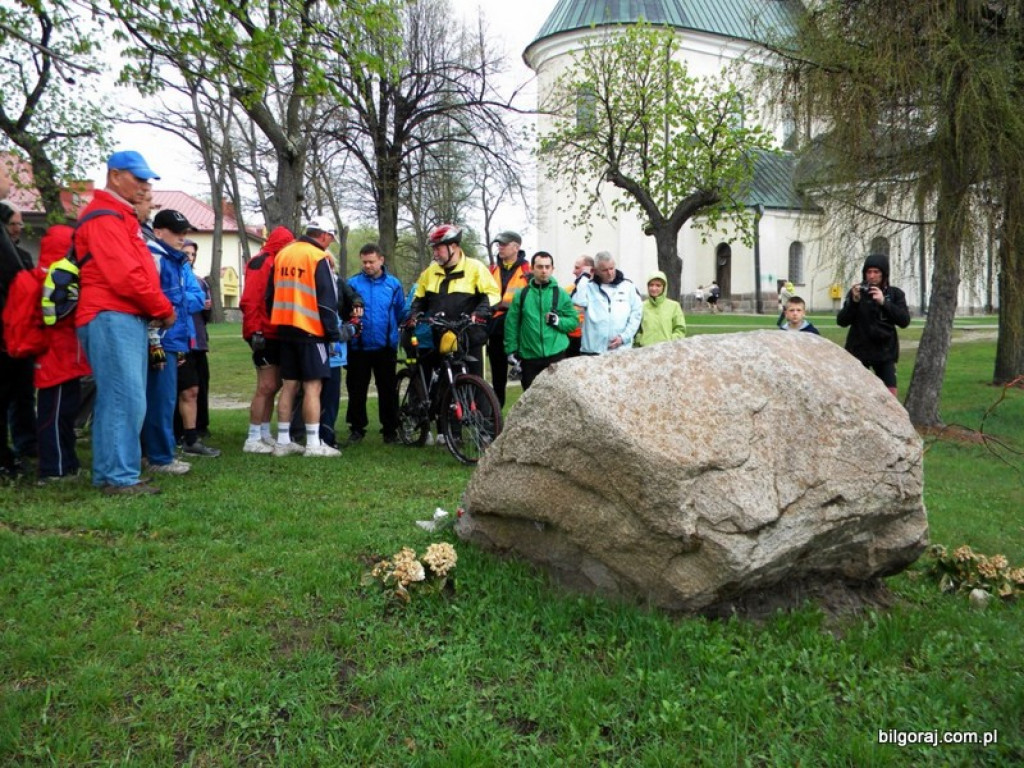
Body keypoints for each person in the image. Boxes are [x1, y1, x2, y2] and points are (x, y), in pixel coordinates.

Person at [75, 150, 174, 495]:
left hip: (117, 315)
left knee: (119, 397)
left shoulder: (118, 216)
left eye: (147, 180)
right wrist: (162, 307)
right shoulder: (105, 217)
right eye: (139, 178)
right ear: (115, 175)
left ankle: (111, 472)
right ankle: (118, 476)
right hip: (111, 314)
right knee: (126, 397)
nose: (144, 186)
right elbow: (126, 275)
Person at [267, 216, 344, 458]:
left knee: (289, 385)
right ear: (322, 235)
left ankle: (282, 441)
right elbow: (327, 300)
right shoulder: (318, 257)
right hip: (311, 330)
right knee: (313, 386)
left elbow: (270, 295)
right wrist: (333, 334)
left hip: (285, 328)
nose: (330, 243)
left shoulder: (283, 254)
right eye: (331, 238)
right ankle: (313, 443)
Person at [143, 209, 209, 476]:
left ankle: (157, 453)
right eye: (176, 232)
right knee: (159, 398)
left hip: (175, 337)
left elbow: (195, 297)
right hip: (157, 338)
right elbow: (151, 297)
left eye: (184, 232)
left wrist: (177, 305)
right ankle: (158, 456)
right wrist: (172, 308)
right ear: (158, 232)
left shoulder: (178, 261)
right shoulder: (154, 258)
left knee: (164, 397)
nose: (182, 237)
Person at [31, 226, 92, 483]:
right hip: (55, 360)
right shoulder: (53, 276)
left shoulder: (64, 275)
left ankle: (68, 465)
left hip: (68, 359)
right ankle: (53, 469)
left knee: (65, 415)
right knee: (54, 417)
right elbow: (53, 317)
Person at [408, 224, 500, 378]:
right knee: (445, 385)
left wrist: (480, 312)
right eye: (433, 249)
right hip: (441, 336)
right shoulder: (430, 273)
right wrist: (414, 315)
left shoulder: (475, 268)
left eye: (438, 249)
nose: (435, 254)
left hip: (470, 336)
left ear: (454, 246)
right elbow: (419, 299)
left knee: (476, 387)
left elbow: (492, 294)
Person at [239, 226, 293, 453]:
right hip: (263, 331)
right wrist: (255, 332)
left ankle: (263, 433)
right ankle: (252, 438)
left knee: (274, 385)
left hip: (274, 331)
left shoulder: (274, 260)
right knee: (266, 385)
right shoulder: (262, 262)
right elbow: (250, 300)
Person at [346, 243, 405, 445]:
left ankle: (390, 430)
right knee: (356, 389)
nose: (368, 266)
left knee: (388, 389)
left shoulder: (394, 285)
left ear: (381, 260)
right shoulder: (352, 284)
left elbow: (399, 311)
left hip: (385, 347)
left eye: (371, 262)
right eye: (364, 262)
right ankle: (356, 428)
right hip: (358, 347)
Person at [836, 253, 910, 396]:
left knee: (889, 395)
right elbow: (842, 321)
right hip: (858, 351)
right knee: (856, 394)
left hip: (885, 352)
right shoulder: (857, 293)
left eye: (876, 272)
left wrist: (884, 302)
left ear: (884, 274)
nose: (872, 276)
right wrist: (854, 302)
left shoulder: (895, 294)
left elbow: (904, 321)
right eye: (869, 272)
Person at [504, 251, 578, 390]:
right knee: (531, 403)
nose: (544, 270)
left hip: (556, 355)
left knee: (558, 399)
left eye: (547, 267)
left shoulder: (560, 293)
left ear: (552, 269)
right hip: (529, 357)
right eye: (539, 267)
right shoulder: (522, 294)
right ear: (532, 268)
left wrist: (558, 321)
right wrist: (511, 350)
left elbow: (573, 322)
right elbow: (511, 324)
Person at [1, 202, 37, 463]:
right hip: (4, 330)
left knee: (23, 391)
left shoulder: (23, 256)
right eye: (12, 224)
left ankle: (27, 443)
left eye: (20, 225)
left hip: (22, 333)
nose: (17, 229)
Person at [486, 231, 530, 407]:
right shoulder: (492, 270)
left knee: (526, 378)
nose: (500, 247)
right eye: (499, 244)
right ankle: (495, 421)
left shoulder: (529, 271)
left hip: (520, 332)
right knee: (498, 379)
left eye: (504, 244)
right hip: (496, 331)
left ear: (516, 247)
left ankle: (531, 417)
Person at [175, 240, 212, 443]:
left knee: (200, 385)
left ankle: (200, 426)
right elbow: (177, 300)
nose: (190, 257)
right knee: (185, 388)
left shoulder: (200, 281)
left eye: (193, 254)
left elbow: (202, 306)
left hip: (198, 339)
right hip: (180, 339)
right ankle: (181, 430)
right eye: (186, 253)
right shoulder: (175, 276)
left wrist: (205, 307)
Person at [572, 251, 642, 355]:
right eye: (604, 270)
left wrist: (624, 337)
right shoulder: (588, 287)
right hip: (593, 351)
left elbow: (636, 314)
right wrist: (585, 276)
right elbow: (578, 301)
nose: (610, 273)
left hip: (620, 350)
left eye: (611, 268)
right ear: (595, 271)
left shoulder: (628, 286)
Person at [635, 271, 686, 347]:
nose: (654, 288)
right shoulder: (641, 306)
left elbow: (680, 329)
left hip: (667, 351)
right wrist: (641, 340)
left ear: (664, 287)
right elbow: (635, 329)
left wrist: (671, 341)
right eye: (651, 285)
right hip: (646, 350)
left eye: (658, 285)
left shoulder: (674, 306)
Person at [565, 254, 593, 358]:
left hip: (587, 340)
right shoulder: (569, 289)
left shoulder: (596, 290)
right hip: (569, 339)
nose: (573, 271)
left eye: (577, 268)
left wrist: (585, 277)